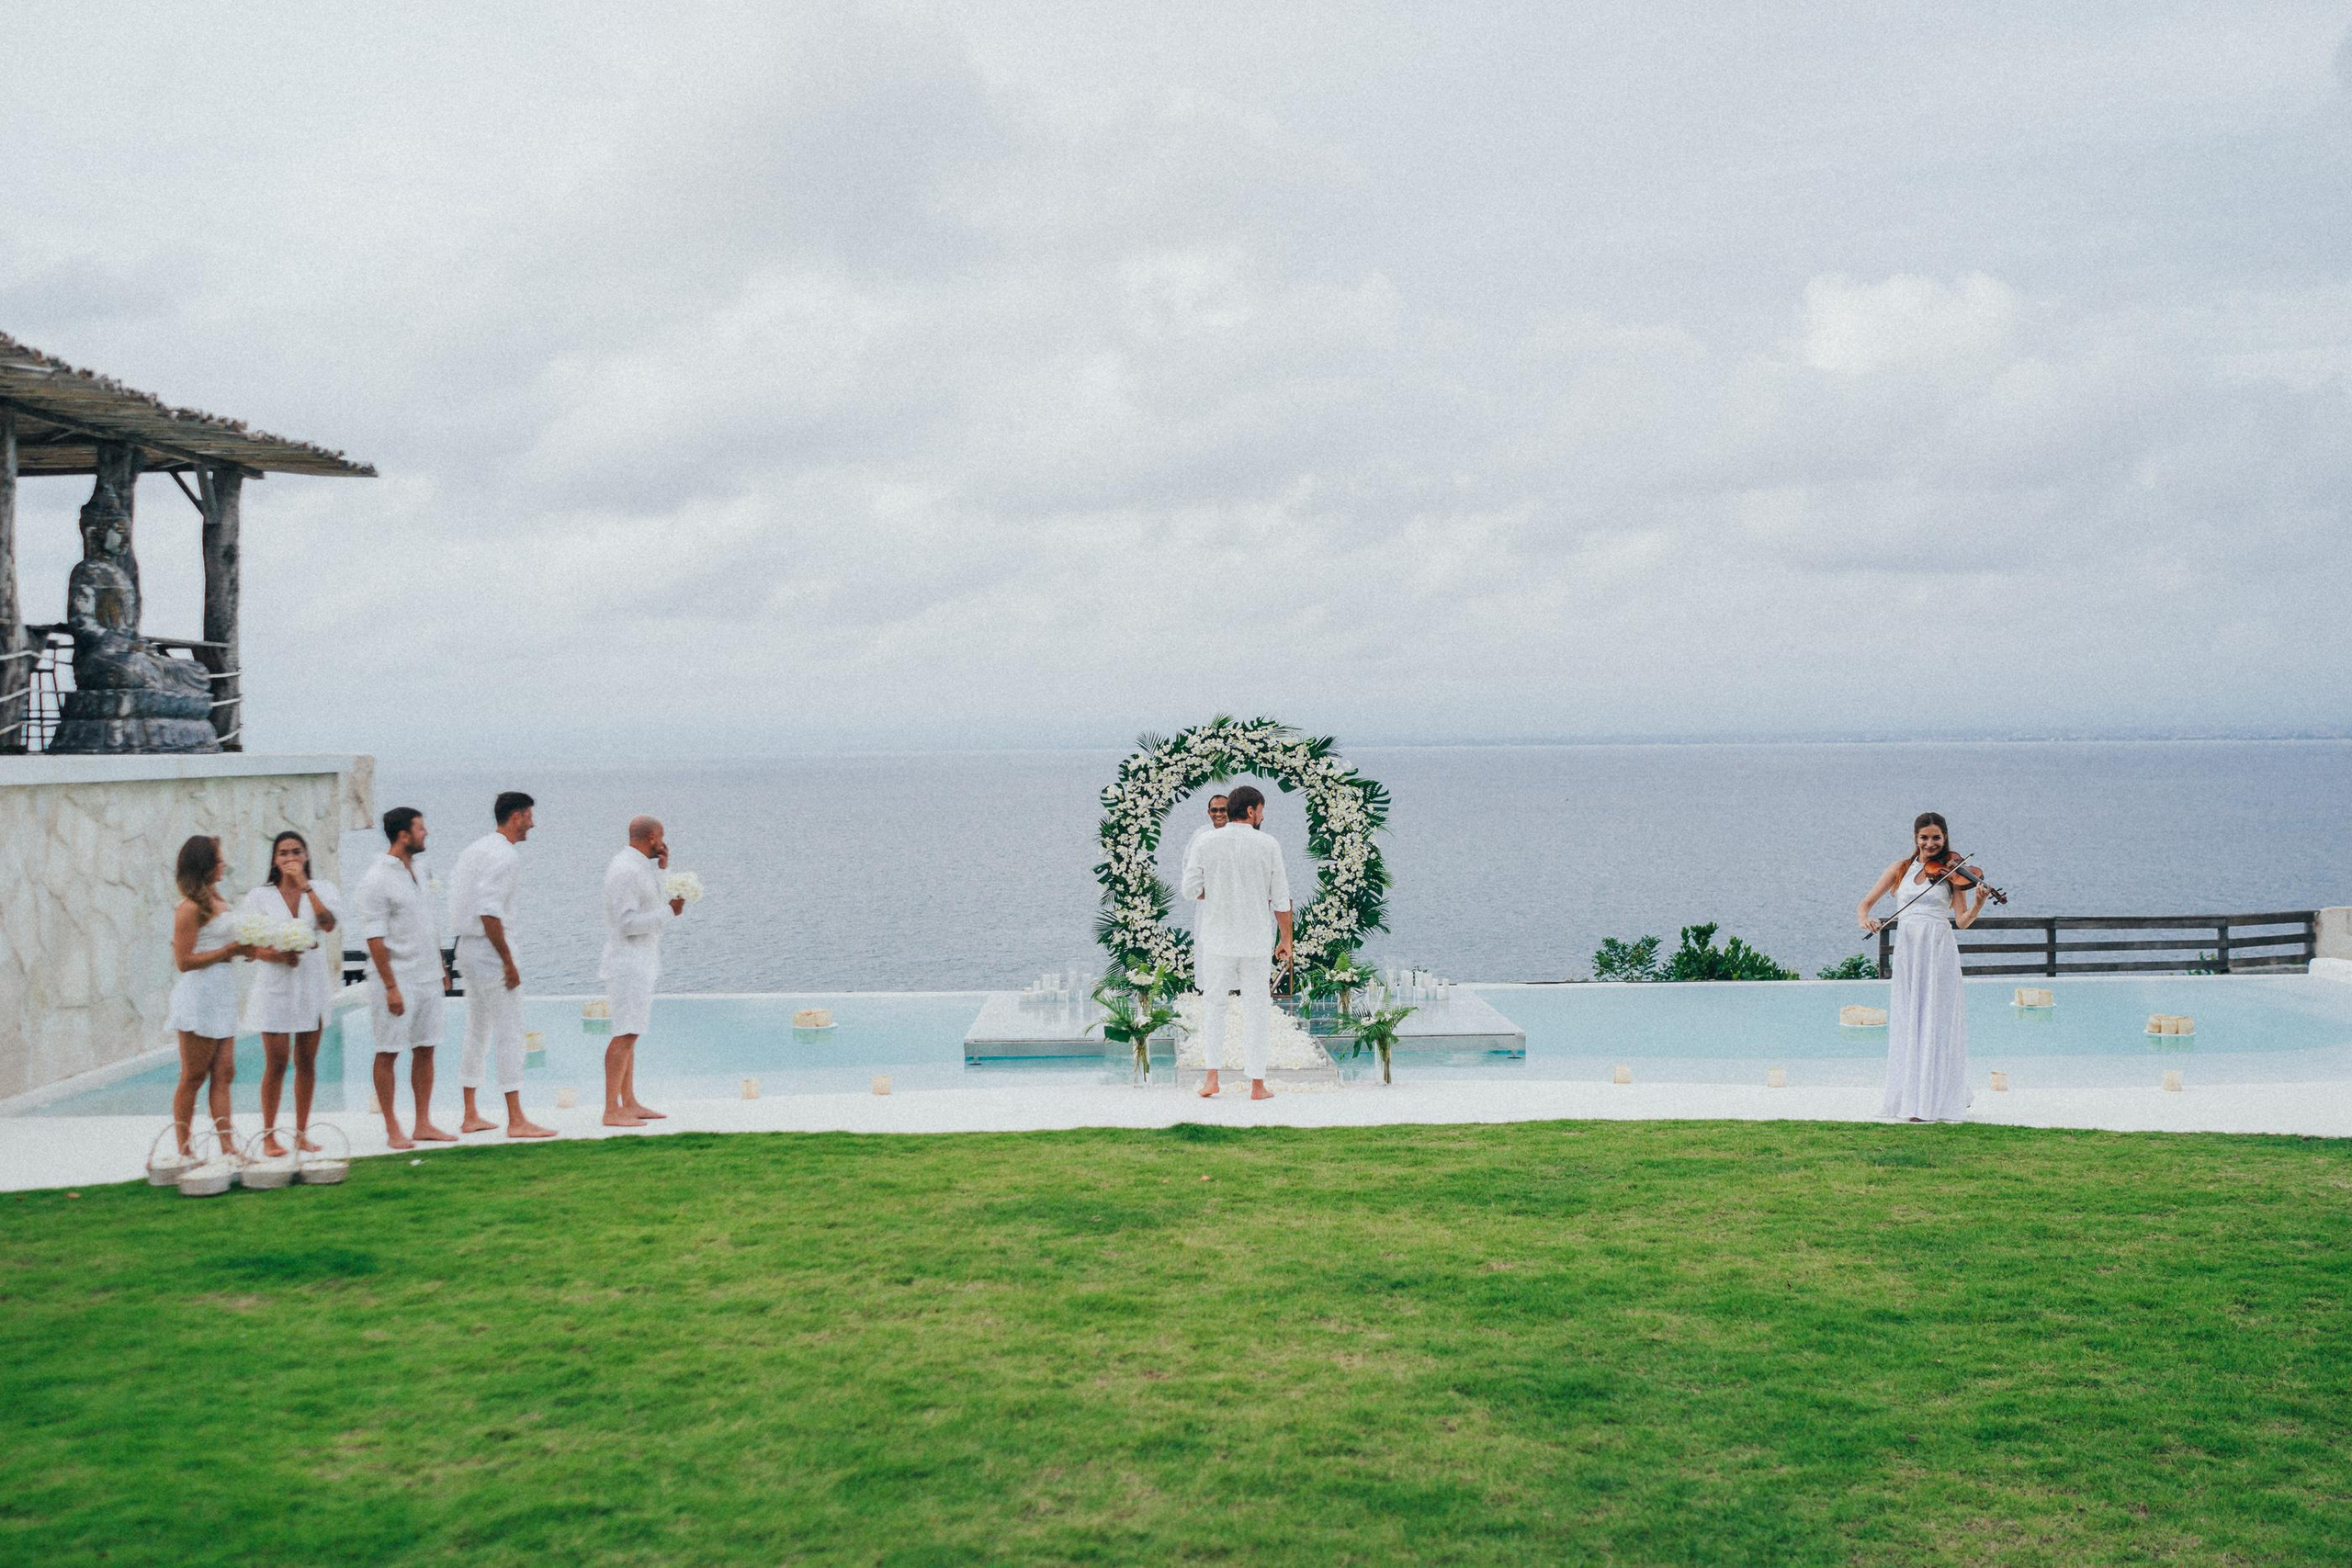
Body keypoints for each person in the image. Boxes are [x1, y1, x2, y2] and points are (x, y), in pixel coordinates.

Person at [1858, 811, 1990, 1122]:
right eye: (1924, 838)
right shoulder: (1899, 869)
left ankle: (1935, 1100)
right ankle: (1910, 1099)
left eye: (1936, 838)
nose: (1930, 843)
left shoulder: (1954, 875)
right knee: (1909, 1018)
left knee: (1936, 1020)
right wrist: (1867, 920)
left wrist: (1979, 904)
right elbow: (1865, 904)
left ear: (1945, 838)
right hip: (1909, 948)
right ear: (1915, 838)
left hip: (1938, 947)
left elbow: (1962, 921)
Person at [447, 791, 556, 1140]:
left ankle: (470, 1113)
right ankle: (517, 1118)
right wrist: (508, 961)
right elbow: (489, 911)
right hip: (489, 949)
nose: (533, 824)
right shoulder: (506, 856)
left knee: (477, 1028)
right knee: (510, 1029)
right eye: (529, 816)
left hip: (465, 947)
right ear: (516, 817)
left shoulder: (474, 849)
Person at [1179, 784, 1293, 1100]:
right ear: (1252, 811)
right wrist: (1286, 940)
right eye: (1262, 810)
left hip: (1217, 939)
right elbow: (1281, 899)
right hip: (1255, 940)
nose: (1263, 815)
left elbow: (1189, 889)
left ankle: (1211, 1079)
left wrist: (1214, 892)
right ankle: (1257, 1084)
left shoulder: (1206, 842)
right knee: (1257, 1009)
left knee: (1214, 1006)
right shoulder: (1269, 844)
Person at [353, 807, 453, 1149]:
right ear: (403, 835)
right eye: (420, 829)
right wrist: (392, 987)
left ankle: (423, 1122)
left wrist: (440, 967)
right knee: (389, 1051)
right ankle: (393, 1127)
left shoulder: (420, 870)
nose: (426, 834)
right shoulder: (376, 879)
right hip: (396, 979)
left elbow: (427, 922)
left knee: (426, 1049)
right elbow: (374, 939)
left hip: (427, 977)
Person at [240, 830, 340, 1156]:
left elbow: (327, 925)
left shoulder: (322, 890)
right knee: (277, 1062)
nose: (290, 858)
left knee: (307, 1061)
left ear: (306, 856)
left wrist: (306, 887)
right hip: (275, 985)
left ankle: (301, 1132)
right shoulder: (260, 896)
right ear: (274, 860)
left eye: (296, 852)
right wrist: (276, 955)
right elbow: (246, 946)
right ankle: (269, 1135)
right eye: (283, 853)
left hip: (311, 983)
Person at [167, 835, 254, 1157]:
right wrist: (229, 950)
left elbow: (222, 946)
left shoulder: (218, 901)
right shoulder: (188, 909)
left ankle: (228, 1146)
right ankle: (185, 1150)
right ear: (204, 865)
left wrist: (243, 950)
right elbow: (184, 961)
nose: (224, 865)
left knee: (224, 1073)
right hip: (199, 996)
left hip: (222, 994)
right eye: (219, 860)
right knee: (193, 1076)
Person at [600, 815, 685, 1128]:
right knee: (625, 1032)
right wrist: (669, 913)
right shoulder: (625, 869)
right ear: (652, 837)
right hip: (627, 962)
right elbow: (626, 923)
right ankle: (611, 1109)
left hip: (641, 960)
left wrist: (664, 871)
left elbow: (653, 901)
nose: (663, 844)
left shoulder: (639, 867)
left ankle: (630, 1101)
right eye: (661, 838)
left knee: (631, 1033)